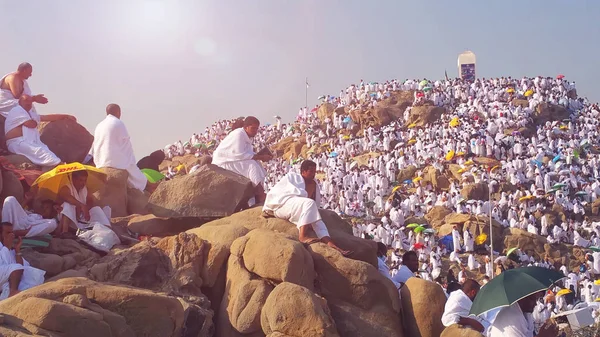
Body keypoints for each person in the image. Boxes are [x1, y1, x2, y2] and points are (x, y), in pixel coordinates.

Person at [262, 160, 351, 255]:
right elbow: (279, 195)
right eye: (311, 171)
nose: (313, 174)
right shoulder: (292, 177)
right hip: (281, 206)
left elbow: (310, 203)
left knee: (318, 221)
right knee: (309, 203)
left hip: (297, 207)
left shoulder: (313, 184)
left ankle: (331, 244)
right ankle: (302, 236)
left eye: (314, 171)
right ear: (303, 171)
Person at [213, 116, 272, 205]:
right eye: (253, 128)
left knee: (256, 163)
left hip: (232, 160)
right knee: (252, 165)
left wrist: (261, 157)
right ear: (245, 127)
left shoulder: (247, 136)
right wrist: (261, 157)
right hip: (223, 163)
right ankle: (260, 193)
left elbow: (246, 154)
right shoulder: (239, 134)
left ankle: (258, 192)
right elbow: (240, 155)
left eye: (256, 129)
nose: (255, 131)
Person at [90, 104, 148, 192]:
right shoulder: (118, 123)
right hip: (115, 162)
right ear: (118, 112)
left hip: (100, 162)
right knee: (138, 176)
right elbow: (126, 144)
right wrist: (130, 159)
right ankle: (149, 186)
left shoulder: (99, 125)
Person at [4, 95, 73, 167]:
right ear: (20, 102)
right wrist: (35, 120)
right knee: (39, 151)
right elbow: (31, 124)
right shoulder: (17, 110)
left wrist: (65, 116)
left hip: (29, 142)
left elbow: (46, 117)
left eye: (30, 102)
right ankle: (61, 166)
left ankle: (59, 165)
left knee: (45, 149)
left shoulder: (30, 114)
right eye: (26, 101)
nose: (28, 103)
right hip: (17, 143)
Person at [56, 170, 111, 236]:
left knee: (97, 209)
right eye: (80, 180)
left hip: (82, 216)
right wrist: (80, 205)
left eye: (85, 180)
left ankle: (107, 229)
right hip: (67, 218)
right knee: (68, 205)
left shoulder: (85, 189)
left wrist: (86, 208)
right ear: (73, 179)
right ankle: (64, 232)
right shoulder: (66, 188)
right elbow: (66, 197)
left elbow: (90, 200)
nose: (83, 183)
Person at [0, 222, 45, 299]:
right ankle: (12, 291)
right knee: (15, 268)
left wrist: (17, 250)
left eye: (12, 232)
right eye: (8, 233)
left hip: (7, 275)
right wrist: (7, 246)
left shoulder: (10, 246)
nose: (11, 235)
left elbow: (21, 266)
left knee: (31, 272)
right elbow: (7, 264)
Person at [488, 292, 559, 337]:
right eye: (532, 299)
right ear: (522, 298)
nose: (535, 303)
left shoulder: (526, 314)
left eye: (536, 299)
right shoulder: (511, 317)